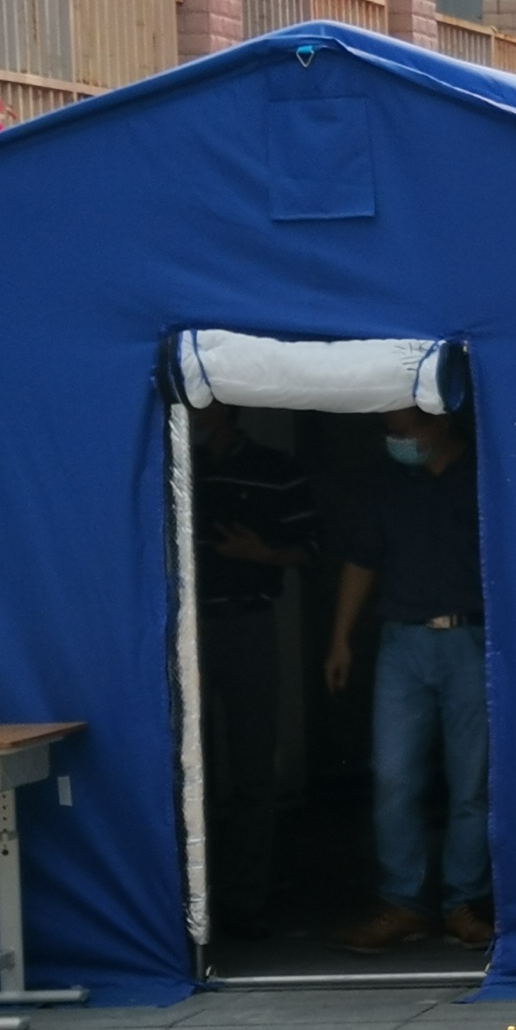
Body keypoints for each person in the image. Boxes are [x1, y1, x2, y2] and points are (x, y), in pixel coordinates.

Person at [327, 405, 491, 953]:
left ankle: (462, 903)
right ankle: (403, 903)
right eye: (389, 431)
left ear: (438, 421)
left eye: (402, 430)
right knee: (394, 776)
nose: (394, 440)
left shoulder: (483, 476)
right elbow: (362, 560)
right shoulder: (390, 483)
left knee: (472, 782)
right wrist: (340, 638)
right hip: (402, 642)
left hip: (471, 638)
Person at [189, 403, 318, 941]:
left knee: (252, 768)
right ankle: (192, 906)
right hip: (185, 632)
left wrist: (260, 553)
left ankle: (246, 903)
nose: (195, 410)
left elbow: (311, 550)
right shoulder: (172, 459)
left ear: (228, 406)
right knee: (187, 771)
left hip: (247, 625)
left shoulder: (274, 468)